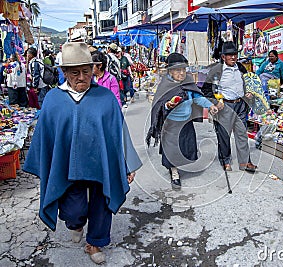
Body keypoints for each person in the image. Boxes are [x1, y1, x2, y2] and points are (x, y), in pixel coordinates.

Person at [23, 42, 142, 264]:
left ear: (93, 70)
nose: (81, 77)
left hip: (100, 163)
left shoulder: (105, 98)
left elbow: (119, 132)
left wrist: (126, 165)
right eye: (75, 73)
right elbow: (45, 135)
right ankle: (75, 223)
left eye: (86, 71)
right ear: (64, 73)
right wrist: (43, 165)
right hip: (67, 166)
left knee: (102, 203)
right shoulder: (53, 100)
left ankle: (94, 243)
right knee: (73, 209)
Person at [146, 53, 218, 189]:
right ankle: (174, 172)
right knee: (172, 149)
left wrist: (210, 106)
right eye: (178, 70)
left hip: (186, 121)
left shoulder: (188, 82)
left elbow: (197, 97)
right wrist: (168, 105)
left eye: (184, 70)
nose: (182, 73)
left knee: (185, 145)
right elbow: (160, 104)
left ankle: (177, 165)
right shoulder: (165, 85)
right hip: (171, 123)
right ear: (170, 71)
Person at [202, 41, 257, 173]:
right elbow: (206, 91)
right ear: (223, 57)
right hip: (225, 106)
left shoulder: (241, 67)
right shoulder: (216, 70)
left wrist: (248, 92)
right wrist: (215, 102)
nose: (233, 57)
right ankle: (225, 160)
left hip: (240, 105)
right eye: (229, 55)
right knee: (224, 135)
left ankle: (245, 162)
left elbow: (248, 83)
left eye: (235, 54)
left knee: (242, 134)